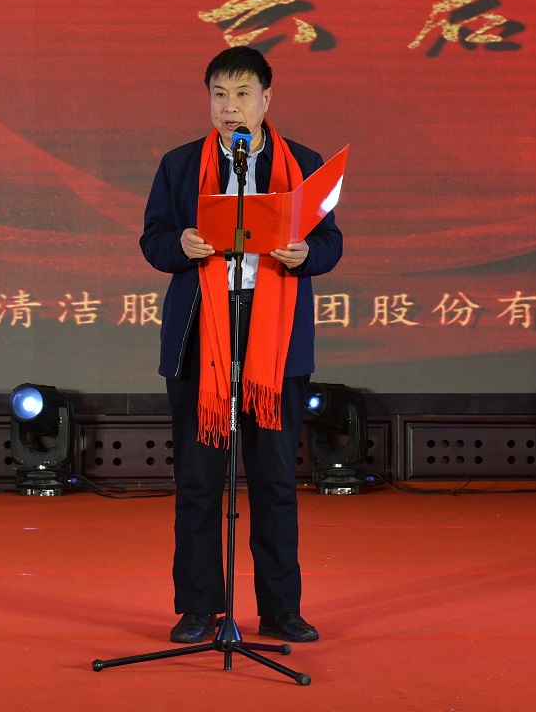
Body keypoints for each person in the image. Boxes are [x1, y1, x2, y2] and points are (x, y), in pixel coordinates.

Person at [140, 46, 343, 646]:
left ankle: (280, 609)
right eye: (220, 95)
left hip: (275, 338)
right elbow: (153, 241)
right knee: (199, 480)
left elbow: (330, 243)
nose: (230, 107)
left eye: (242, 94)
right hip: (201, 331)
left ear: (266, 99)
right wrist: (181, 245)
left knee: (275, 478)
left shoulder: (304, 164)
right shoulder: (180, 165)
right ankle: (199, 606)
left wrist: (306, 254)